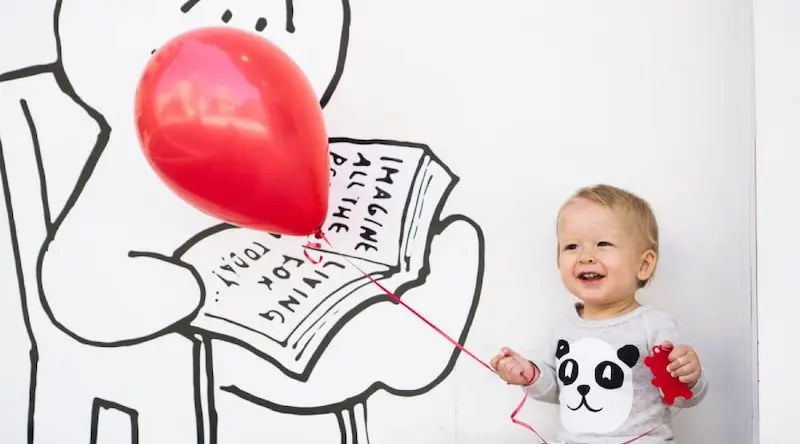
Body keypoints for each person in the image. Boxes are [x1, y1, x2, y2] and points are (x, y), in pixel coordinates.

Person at [490, 184, 707, 443]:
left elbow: (683, 397)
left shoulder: (653, 326)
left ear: (644, 264)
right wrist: (531, 374)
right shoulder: (566, 327)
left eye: (602, 243)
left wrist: (690, 378)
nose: (585, 257)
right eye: (571, 246)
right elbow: (558, 390)